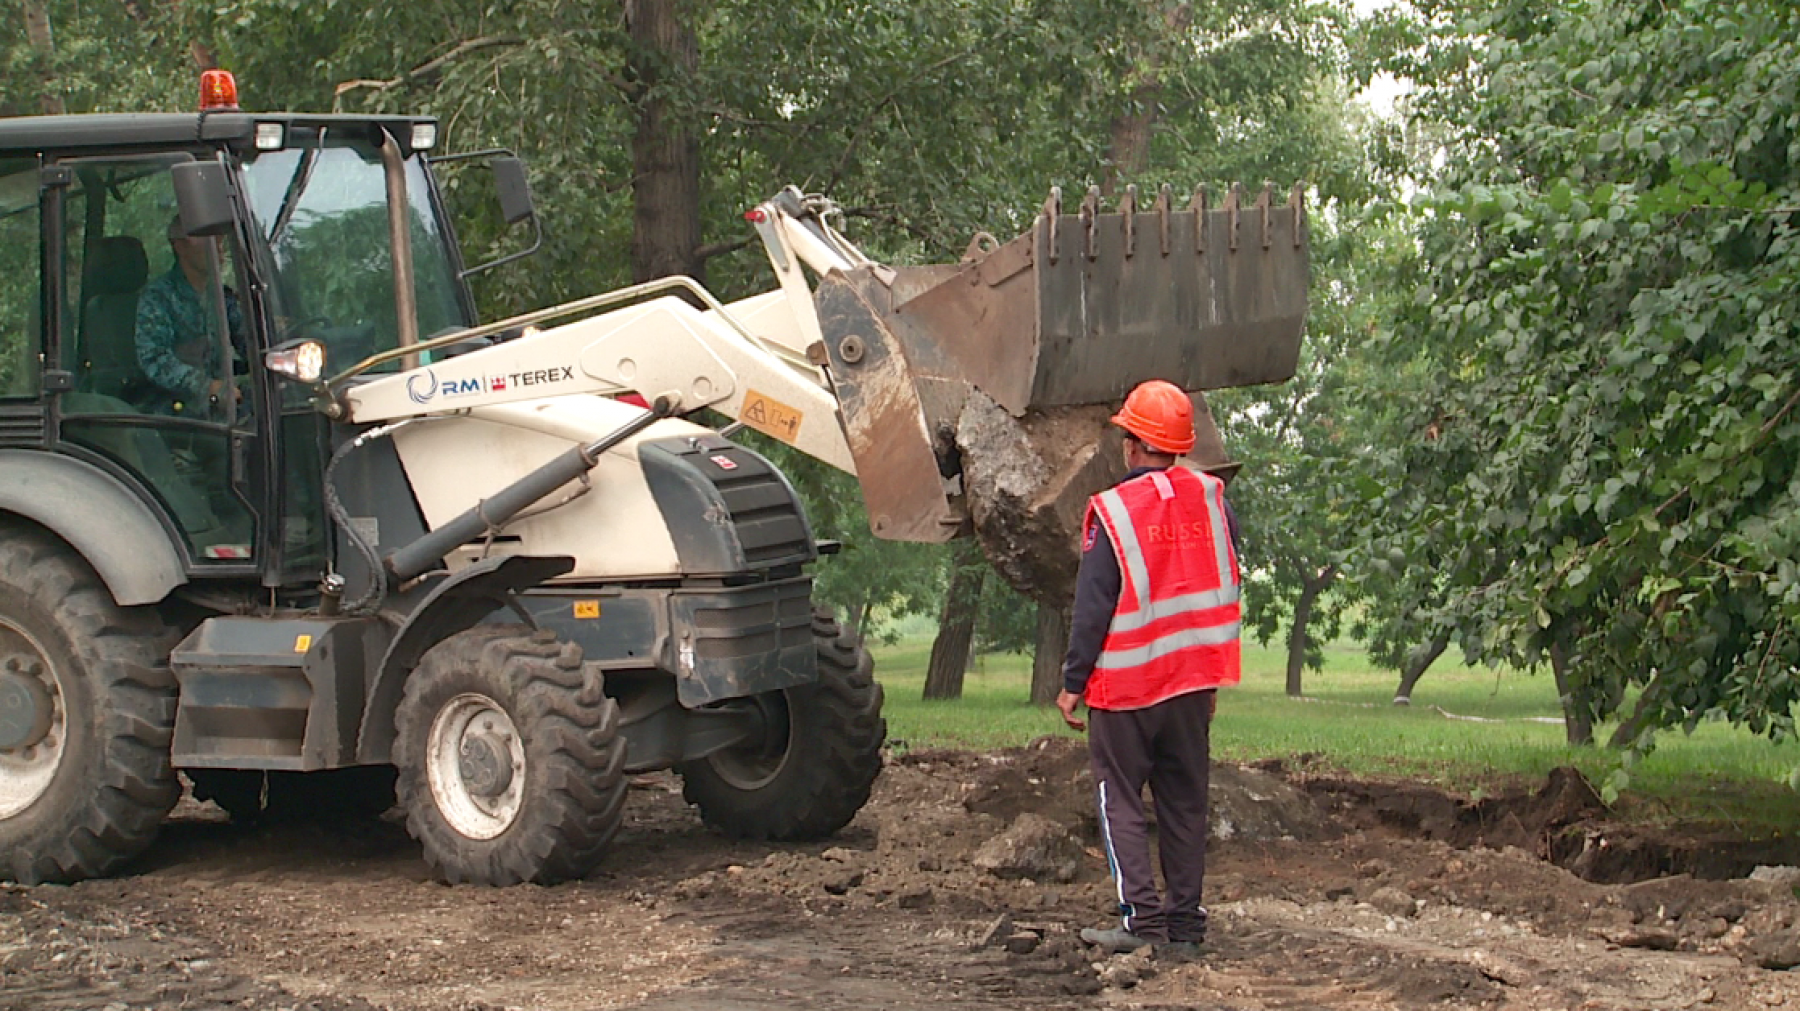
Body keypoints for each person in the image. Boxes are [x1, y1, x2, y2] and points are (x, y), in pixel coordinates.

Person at [1058, 379, 1243, 960]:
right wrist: (1210, 675)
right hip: (1191, 683)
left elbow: (1093, 606)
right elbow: (1226, 582)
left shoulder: (1111, 511)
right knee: (1185, 802)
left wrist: (1071, 683)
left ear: (1134, 444)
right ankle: (1185, 926)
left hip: (1128, 686)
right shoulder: (1214, 501)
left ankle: (1142, 921)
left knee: (1120, 798)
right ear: (1182, 445)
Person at [135, 215, 244, 418]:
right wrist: (207, 386)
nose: (219, 247)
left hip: (221, 408)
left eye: (219, 240)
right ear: (180, 246)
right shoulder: (158, 297)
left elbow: (246, 341)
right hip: (172, 413)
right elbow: (154, 359)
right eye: (207, 239)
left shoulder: (222, 297)